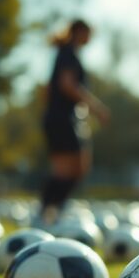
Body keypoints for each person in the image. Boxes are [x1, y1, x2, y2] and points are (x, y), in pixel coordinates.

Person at [38, 19, 109, 226]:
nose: (90, 39)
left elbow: (49, 90)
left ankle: (51, 210)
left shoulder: (69, 54)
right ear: (79, 32)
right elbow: (67, 85)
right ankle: (46, 213)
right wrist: (97, 108)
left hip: (65, 119)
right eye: (88, 33)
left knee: (79, 168)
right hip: (61, 120)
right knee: (64, 170)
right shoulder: (68, 53)